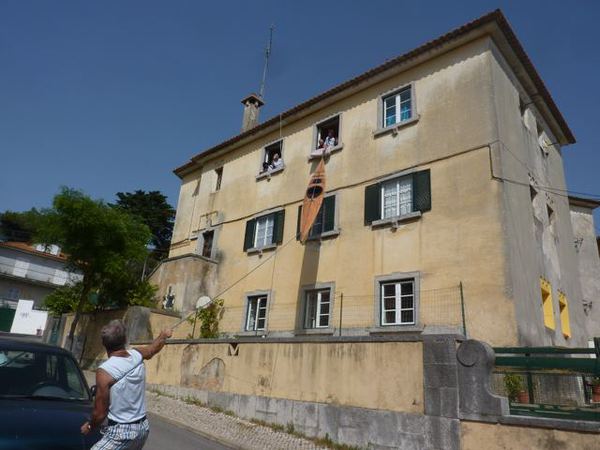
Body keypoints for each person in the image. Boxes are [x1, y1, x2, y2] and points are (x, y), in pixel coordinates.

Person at [81, 320, 172, 449]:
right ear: (125, 340)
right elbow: (152, 349)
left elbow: (100, 413)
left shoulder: (105, 371)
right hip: (142, 429)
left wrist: (90, 425)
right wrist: (163, 335)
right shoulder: (137, 355)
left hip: (122, 432)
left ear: (104, 344)